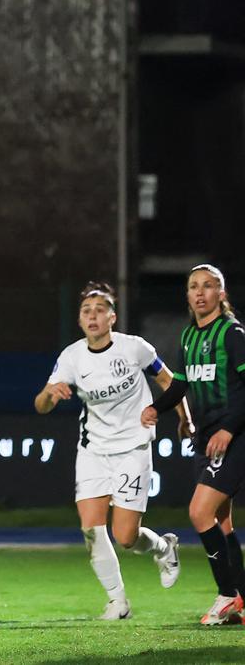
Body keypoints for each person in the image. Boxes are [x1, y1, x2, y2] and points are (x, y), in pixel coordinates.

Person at [35, 282, 189, 620]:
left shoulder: (135, 348)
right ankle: (118, 602)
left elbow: (169, 381)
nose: (92, 316)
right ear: (80, 320)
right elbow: (40, 405)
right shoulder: (71, 357)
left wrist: (184, 418)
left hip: (133, 447)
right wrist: (50, 394)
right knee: (91, 528)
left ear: (112, 317)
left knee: (125, 537)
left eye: (99, 310)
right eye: (86, 311)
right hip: (93, 450)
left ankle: (164, 547)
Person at [141, 264, 245, 625]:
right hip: (206, 438)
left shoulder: (232, 334)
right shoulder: (188, 337)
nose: (200, 292)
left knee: (200, 512)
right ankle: (240, 597)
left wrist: (228, 430)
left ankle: (227, 596)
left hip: (233, 436)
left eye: (208, 286)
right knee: (222, 521)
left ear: (221, 293)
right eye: (193, 286)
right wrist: (157, 408)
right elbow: (181, 385)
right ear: (187, 295)